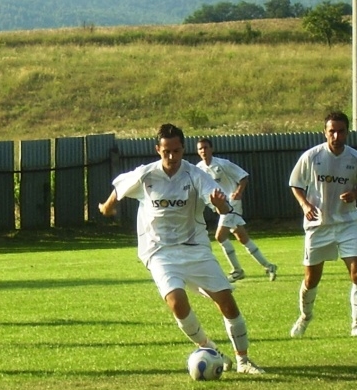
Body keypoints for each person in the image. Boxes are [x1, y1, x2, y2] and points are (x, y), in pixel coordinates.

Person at [99, 123, 265, 374]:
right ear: (158, 149)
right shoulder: (146, 174)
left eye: (176, 151)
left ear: (183, 149)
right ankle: (209, 349)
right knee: (177, 302)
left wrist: (220, 206)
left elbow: (217, 201)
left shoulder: (194, 175)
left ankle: (243, 360)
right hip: (159, 251)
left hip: (195, 248)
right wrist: (108, 206)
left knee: (227, 304)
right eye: (166, 151)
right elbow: (120, 188)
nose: (171, 157)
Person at [288, 111, 357, 338]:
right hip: (318, 225)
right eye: (332, 131)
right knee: (311, 278)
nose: (336, 135)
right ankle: (305, 317)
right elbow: (295, 184)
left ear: (347, 132)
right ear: (325, 132)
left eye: (341, 131)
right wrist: (306, 205)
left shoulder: (355, 159)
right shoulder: (312, 156)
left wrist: (356, 193)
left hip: (347, 223)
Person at [196, 138, 277, 282]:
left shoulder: (223, 164)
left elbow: (243, 176)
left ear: (211, 149)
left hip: (231, 204)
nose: (203, 151)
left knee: (220, 237)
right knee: (242, 237)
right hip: (220, 207)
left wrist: (239, 192)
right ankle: (269, 266)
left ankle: (237, 270)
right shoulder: (198, 169)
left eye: (205, 147)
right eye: (200, 149)